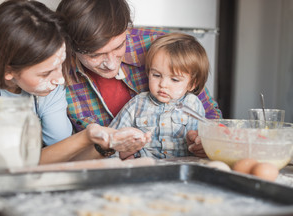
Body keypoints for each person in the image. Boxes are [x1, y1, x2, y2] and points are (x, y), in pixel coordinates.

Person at [0, 0, 150, 172]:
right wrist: (85, 137)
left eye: (60, 65)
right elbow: (9, 167)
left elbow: (62, 159)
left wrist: (106, 144)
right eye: (45, 73)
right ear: (9, 71)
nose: (60, 79)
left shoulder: (49, 84)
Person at [56, 0, 222, 158]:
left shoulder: (161, 46)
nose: (111, 64)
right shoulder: (55, 71)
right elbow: (61, 151)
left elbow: (211, 115)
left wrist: (207, 143)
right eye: (95, 55)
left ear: (127, 29)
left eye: (118, 46)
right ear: (70, 46)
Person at [109, 33, 208, 159]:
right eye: (156, 75)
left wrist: (198, 144)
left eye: (175, 79)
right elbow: (112, 139)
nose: (163, 84)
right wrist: (122, 154)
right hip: (145, 167)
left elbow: (201, 146)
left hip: (180, 167)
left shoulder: (192, 104)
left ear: (192, 84)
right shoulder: (137, 104)